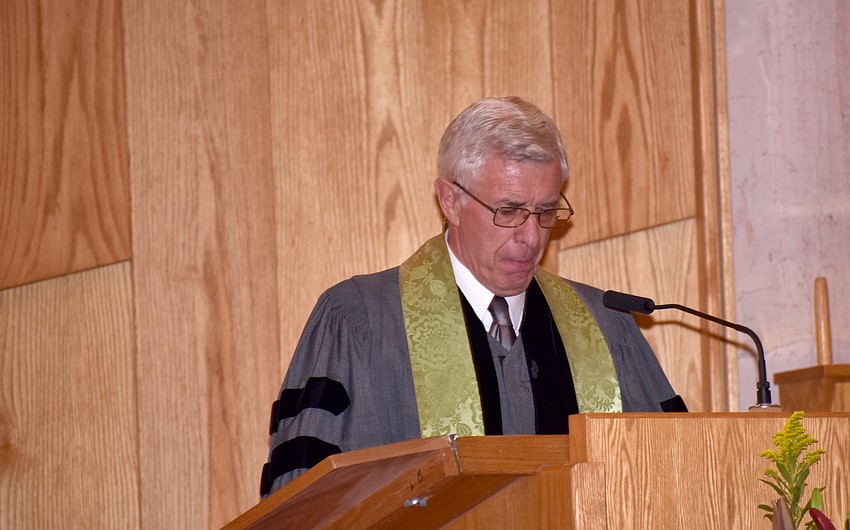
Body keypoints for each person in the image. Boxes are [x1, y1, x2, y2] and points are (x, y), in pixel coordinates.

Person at [260, 96, 685, 496]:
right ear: (451, 200)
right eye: (510, 210)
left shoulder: (607, 327)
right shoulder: (357, 321)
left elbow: (674, 478)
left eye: (546, 211)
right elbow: (300, 494)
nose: (531, 237)